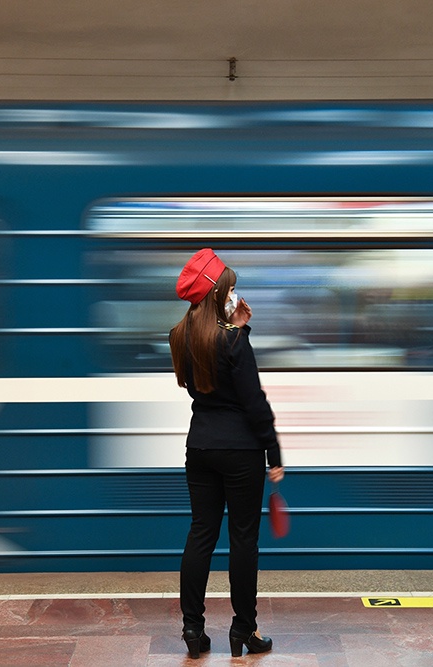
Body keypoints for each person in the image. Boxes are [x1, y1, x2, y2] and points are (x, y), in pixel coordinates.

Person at [169, 248, 285, 658]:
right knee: (242, 540)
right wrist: (274, 452)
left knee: (201, 534)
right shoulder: (235, 341)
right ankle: (244, 631)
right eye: (231, 289)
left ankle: (192, 630)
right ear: (218, 294)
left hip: (199, 445)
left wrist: (235, 329)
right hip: (240, 451)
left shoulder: (179, 337)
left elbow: (196, 384)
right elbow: (254, 403)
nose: (236, 295)